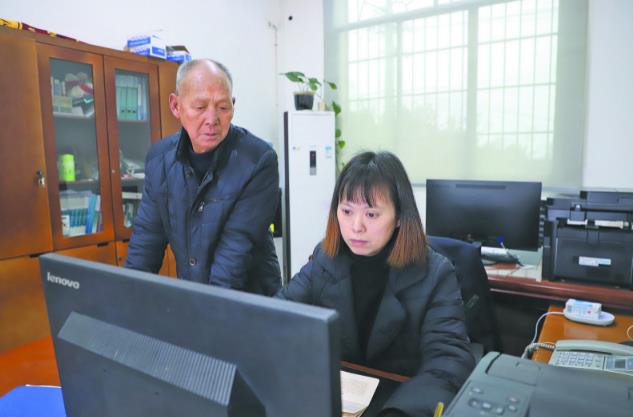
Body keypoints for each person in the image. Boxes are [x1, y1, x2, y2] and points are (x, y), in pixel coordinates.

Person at [276, 151, 475, 417]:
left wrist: (399, 413)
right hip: (334, 401)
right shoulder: (326, 258)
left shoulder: (435, 273)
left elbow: (448, 362)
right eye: (347, 211)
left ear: (400, 217)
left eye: (371, 214)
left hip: (399, 403)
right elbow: (278, 316)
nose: (356, 226)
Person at [125, 59, 281, 295]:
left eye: (223, 107)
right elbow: (145, 243)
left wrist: (204, 310)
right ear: (176, 106)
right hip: (198, 299)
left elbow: (234, 255)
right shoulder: (160, 160)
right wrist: (125, 300)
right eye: (199, 107)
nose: (212, 119)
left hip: (249, 301)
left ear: (233, 106)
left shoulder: (257, 160)